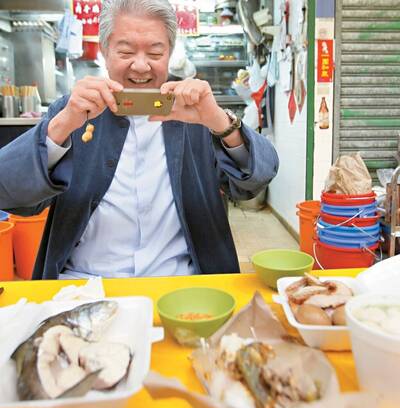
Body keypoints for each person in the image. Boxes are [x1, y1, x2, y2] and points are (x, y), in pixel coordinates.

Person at [0, 0, 279, 280]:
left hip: (181, 283)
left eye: (155, 52)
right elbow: (10, 192)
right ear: (105, 51)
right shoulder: (74, 109)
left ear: (169, 53)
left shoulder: (195, 115)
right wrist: (61, 125)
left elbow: (255, 180)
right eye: (126, 51)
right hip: (85, 281)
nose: (141, 65)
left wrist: (220, 122)